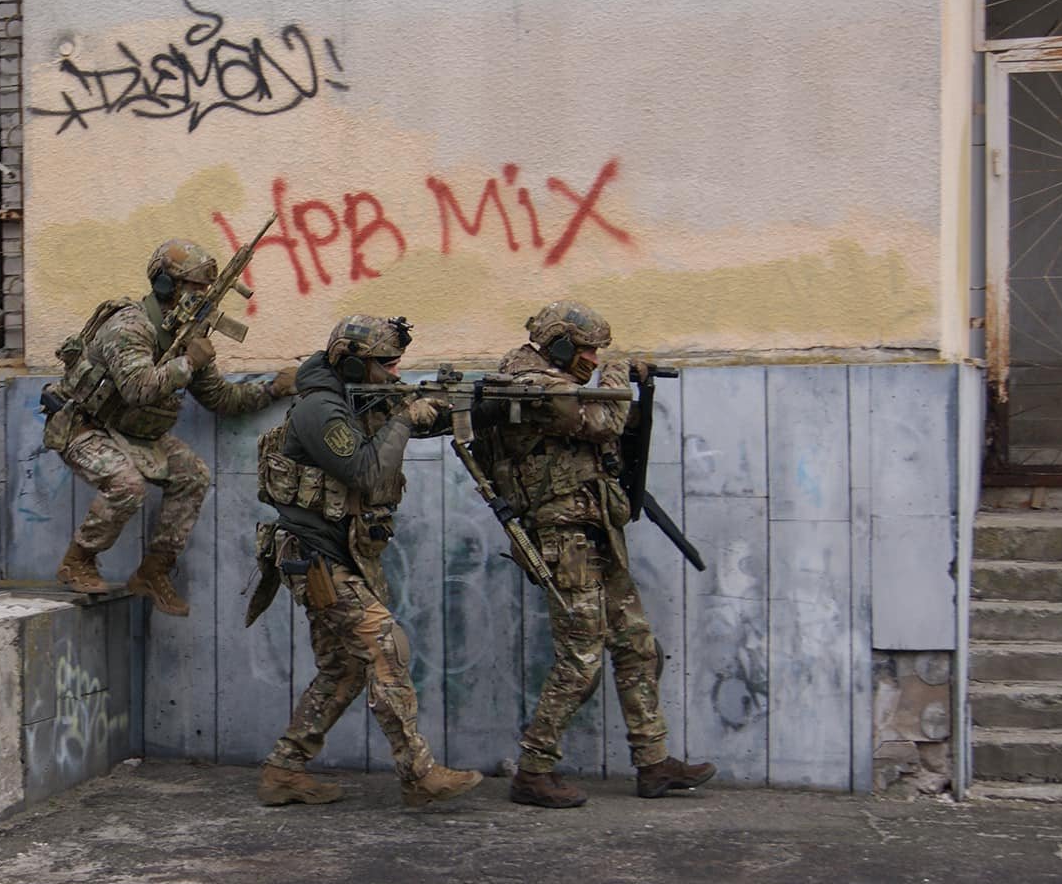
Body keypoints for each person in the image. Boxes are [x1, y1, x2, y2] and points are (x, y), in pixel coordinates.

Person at [249, 314, 483, 808]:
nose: (396, 373)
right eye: (386, 364)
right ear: (353, 363)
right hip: (315, 557)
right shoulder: (321, 409)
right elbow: (367, 472)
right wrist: (406, 418)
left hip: (339, 555)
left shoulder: (358, 397)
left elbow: (404, 424)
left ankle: (284, 769)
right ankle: (418, 773)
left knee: (343, 669)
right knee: (385, 645)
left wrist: (460, 407)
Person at [493, 300, 716, 807]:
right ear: (560, 345)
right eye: (588, 350)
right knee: (581, 659)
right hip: (565, 541)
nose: (593, 360)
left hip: (596, 532)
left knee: (637, 645)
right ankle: (532, 770)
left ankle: (653, 762)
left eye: (599, 353)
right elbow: (605, 421)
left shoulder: (558, 382)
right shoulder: (531, 387)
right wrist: (618, 372)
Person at [46, 238, 295, 616]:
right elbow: (137, 389)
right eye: (194, 287)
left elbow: (220, 398)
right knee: (127, 485)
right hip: (85, 427)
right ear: (165, 284)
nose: (203, 295)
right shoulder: (130, 325)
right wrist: (188, 363)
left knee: (193, 475)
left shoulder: (186, 335)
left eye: (206, 288)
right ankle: (77, 560)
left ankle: (153, 571)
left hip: (134, 434)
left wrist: (273, 388)